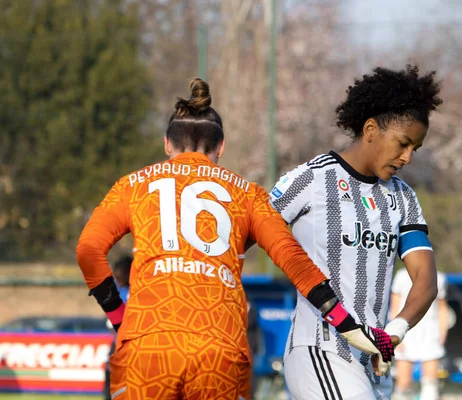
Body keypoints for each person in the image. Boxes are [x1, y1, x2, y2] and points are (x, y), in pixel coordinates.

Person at [76, 78, 396, 400]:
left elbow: (88, 250)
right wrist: (351, 330)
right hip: (220, 348)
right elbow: (294, 261)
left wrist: (120, 319)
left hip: (148, 344)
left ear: (167, 145)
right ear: (222, 147)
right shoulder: (248, 194)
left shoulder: (133, 185)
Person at [268, 65, 442, 400]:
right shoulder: (311, 179)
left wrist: (397, 329)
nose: (407, 157)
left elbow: (425, 279)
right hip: (319, 349)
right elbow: (253, 231)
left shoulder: (403, 197)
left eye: (414, 149)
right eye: (403, 143)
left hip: (374, 362)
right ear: (371, 128)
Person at [389, 268, 448, 400]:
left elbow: (442, 307)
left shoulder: (439, 277)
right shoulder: (401, 276)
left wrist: (442, 332)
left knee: (430, 383)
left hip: (430, 332)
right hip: (406, 331)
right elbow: (394, 307)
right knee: (403, 384)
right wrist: (396, 334)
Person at [104, 255, 133, 400]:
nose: (117, 278)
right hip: (117, 343)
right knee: (110, 378)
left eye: (119, 274)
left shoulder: (137, 291)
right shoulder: (116, 289)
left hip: (130, 345)